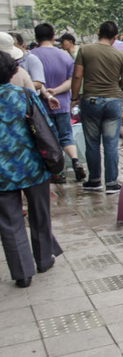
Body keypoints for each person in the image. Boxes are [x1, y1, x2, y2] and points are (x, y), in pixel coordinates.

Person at [0, 51, 62, 288]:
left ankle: (22, 273)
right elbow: (44, 128)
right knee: (40, 214)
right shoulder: (24, 95)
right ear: (13, 71)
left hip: (1, 174)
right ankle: (44, 259)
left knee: (9, 221)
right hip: (32, 166)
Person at [71, 21, 123, 194]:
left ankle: (94, 180)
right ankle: (112, 183)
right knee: (111, 144)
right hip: (113, 102)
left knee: (92, 143)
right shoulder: (120, 55)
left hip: (90, 100)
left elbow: (77, 77)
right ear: (115, 37)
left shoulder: (84, 50)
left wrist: (74, 98)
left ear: (98, 32)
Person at [32, 23, 86, 184]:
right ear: (53, 36)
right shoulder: (65, 56)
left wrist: (48, 93)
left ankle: (58, 173)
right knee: (67, 137)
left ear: (36, 37)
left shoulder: (31, 56)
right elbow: (72, 80)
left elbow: (33, 81)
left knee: (51, 139)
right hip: (62, 102)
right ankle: (76, 161)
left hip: (41, 106)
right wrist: (56, 91)